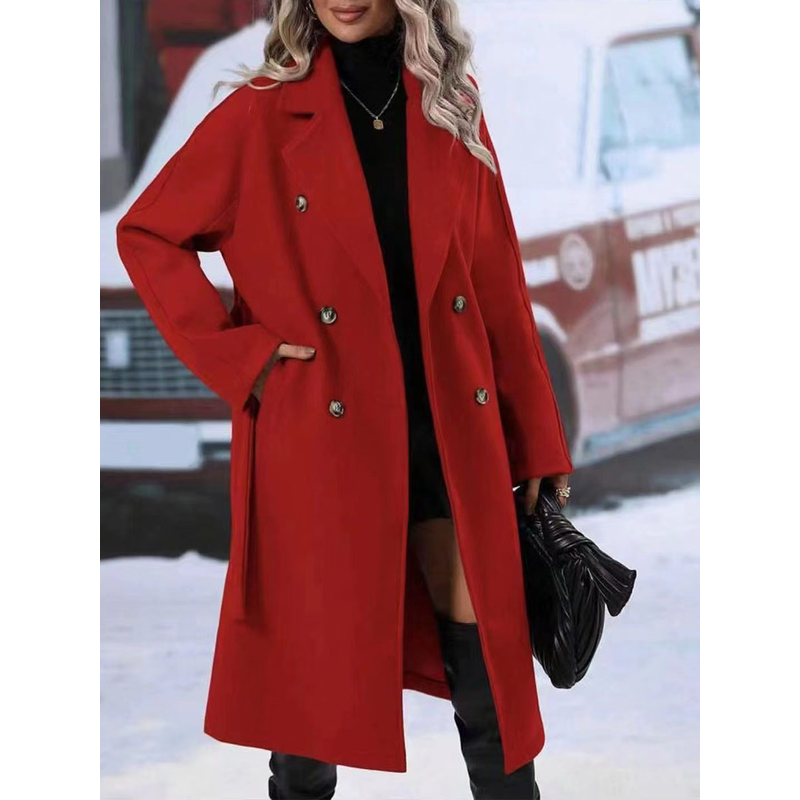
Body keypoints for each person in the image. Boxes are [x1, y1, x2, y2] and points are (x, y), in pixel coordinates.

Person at [116, 1, 573, 798]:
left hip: (445, 428)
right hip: (323, 436)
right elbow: (148, 235)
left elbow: (496, 279)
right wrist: (247, 357)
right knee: (308, 700)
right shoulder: (261, 112)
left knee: (490, 678)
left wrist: (536, 436)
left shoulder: (450, 102)